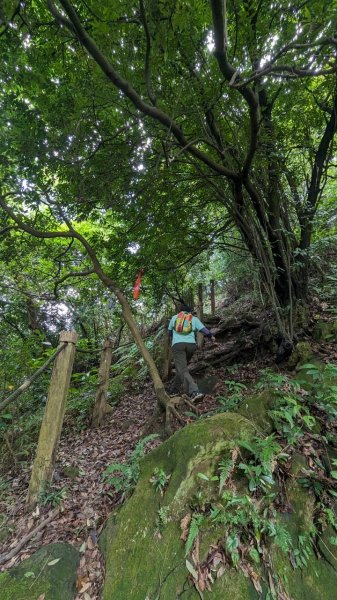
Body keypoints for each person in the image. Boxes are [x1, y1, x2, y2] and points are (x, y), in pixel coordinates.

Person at [168, 304, 216, 401]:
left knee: (183, 369)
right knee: (181, 367)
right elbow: (204, 330)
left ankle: (194, 391)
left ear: (180, 311)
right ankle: (174, 389)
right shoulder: (193, 319)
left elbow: (169, 333)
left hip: (178, 346)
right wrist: (211, 336)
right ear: (189, 312)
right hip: (191, 345)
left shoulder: (174, 318)